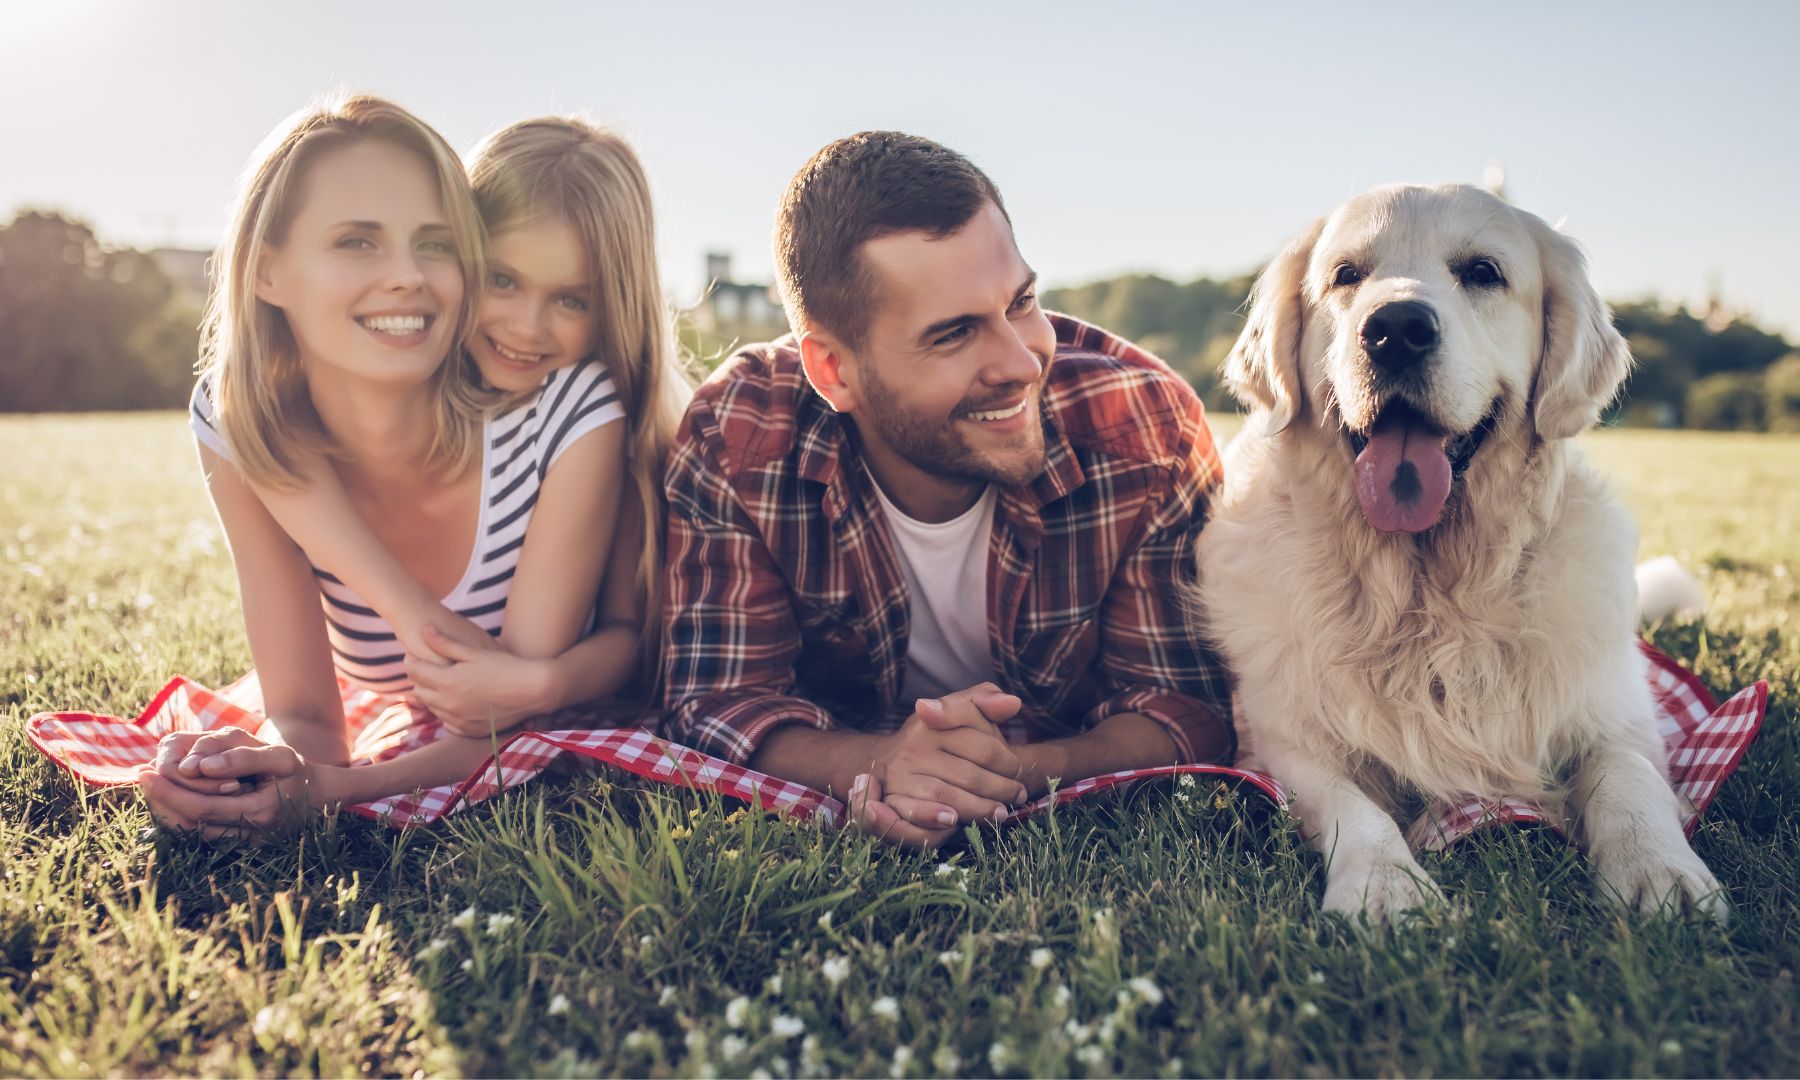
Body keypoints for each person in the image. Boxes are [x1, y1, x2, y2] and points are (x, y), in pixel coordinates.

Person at [661, 131, 1234, 848]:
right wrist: (879, 763)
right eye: (954, 334)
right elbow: (718, 700)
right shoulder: (739, 433)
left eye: (1022, 301)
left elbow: (1186, 705)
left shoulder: (1143, 424)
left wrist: (1019, 770)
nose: (1021, 362)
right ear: (833, 371)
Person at [139, 100, 684, 837]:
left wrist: (330, 788)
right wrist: (269, 775)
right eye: (358, 242)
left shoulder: (566, 409)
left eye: (431, 244)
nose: (405, 277)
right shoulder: (243, 424)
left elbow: (505, 716)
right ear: (267, 271)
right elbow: (303, 712)